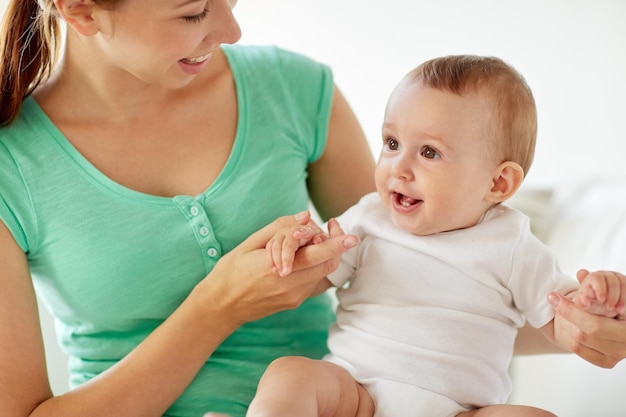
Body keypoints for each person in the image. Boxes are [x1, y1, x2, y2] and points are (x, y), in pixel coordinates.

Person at [0, 2, 624, 417]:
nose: (231, 29)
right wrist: (217, 307)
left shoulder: (294, 91)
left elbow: (422, 286)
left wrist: (586, 332)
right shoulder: (12, 167)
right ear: (80, 9)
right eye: (193, 11)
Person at [247, 55, 626, 417]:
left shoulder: (512, 244)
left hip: (459, 410)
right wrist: (298, 248)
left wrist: (595, 301)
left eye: (429, 152)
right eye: (392, 143)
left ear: (498, 182)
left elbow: (560, 318)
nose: (399, 168)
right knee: (292, 374)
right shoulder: (368, 219)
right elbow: (309, 278)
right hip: (355, 393)